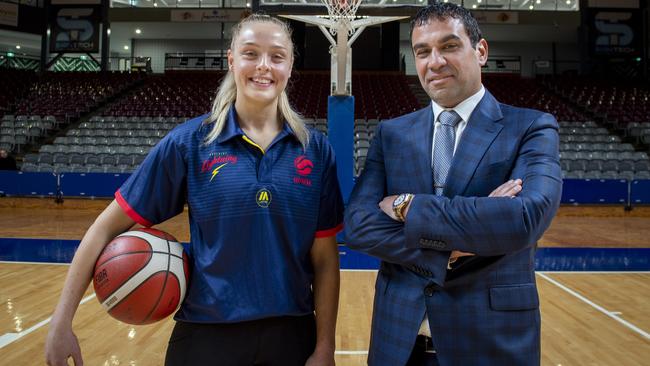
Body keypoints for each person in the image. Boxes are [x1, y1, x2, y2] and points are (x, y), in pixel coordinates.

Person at [45, 14, 343, 366]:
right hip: (206, 333)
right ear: (231, 60)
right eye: (250, 53)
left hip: (292, 335)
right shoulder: (190, 143)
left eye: (277, 56)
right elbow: (103, 229)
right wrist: (61, 322)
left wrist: (325, 346)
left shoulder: (315, 149)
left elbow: (325, 260)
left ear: (290, 66)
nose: (264, 66)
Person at [344, 3, 562, 366]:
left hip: (490, 341)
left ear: (481, 50)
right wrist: (461, 238)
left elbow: (524, 218)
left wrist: (407, 206)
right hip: (399, 343)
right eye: (422, 51)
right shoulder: (392, 134)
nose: (435, 61)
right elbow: (359, 226)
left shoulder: (531, 127)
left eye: (449, 46)